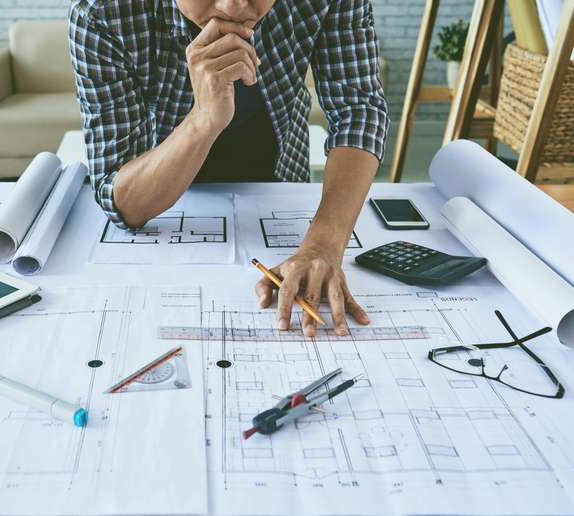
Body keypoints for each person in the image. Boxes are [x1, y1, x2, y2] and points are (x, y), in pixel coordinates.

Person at [69, 0, 389, 337]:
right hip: (165, 203)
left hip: (281, 189)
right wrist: (203, 120)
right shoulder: (102, 11)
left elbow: (359, 110)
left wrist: (323, 245)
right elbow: (123, 201)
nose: (234, 6)